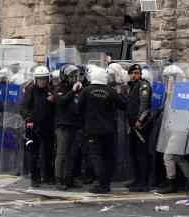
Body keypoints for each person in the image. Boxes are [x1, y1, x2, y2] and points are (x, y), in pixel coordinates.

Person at [80, 65, 118, 194]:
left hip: (92, 130)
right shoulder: (111, 91)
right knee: (107, 157)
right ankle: (106, 184)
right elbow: (123, 104)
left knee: (96, 157)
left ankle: (101, 184)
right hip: (109, 130)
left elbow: (78, 108)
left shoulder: (86, 90)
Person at [21, 65, 57, 186]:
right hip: (34, 126)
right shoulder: (30, 90)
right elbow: (23, 108)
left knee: (48, 152)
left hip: (48, 126)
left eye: (44, 78)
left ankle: (48, 176)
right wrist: (29, 119)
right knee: (34, 153)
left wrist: (54, 101)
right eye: (40, 79)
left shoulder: (51, 90)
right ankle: (35, 178)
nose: (43, 81)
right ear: (36, 79)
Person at [53, 66, 85, 189]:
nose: (74, 79)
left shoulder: (78, 90)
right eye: (71, 76)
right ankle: (59, 180)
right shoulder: (59, 88)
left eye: (75, 76)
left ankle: (69, 178)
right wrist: (73, 91)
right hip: (63, 126)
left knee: (72, 154)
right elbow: (61, 101)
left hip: (75, 125)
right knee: (61, 153)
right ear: (65, 77)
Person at [123, 64, 153, 192]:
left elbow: (144, 105)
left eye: (137, 73)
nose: (135, 75)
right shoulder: (131, 86)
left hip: (140, 125)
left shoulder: (143, 85)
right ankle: (136, 179)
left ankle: (143, 182)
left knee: (141, 154)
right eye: (133, 73)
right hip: (131, 124)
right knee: (133, 153)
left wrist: (140, 120)